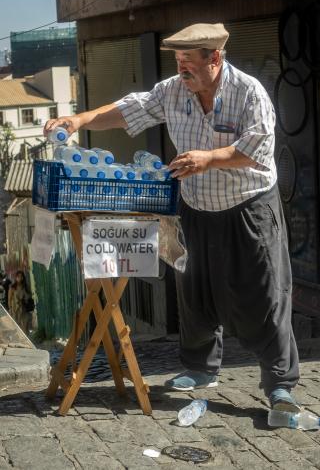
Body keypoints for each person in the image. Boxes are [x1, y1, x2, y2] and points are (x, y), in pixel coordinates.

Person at [44, 22, 300, 413]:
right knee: (193, 288)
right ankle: (199, 367)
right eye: (178, 62)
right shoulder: (173, 91)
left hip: (249, 206)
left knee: (264, 292)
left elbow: (258, 149)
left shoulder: (249, 92)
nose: (181, 70)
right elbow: (128, 109)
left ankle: (280, 384)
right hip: (195, 206)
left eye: (188, 63)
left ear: (214, 59)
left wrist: (209, 158)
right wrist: (79, 121)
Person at [8, 270, 32, 334]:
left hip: (24, 309)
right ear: (16, 277)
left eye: (21, 276)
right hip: (15, 309)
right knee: (17, 325)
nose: (20, 278)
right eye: (18, 276)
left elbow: (29, 296)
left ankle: (26, 339)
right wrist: (10, 309)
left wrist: (26, 297)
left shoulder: (25, 287)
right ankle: (21, 340)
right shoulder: (12, 287)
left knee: (25, 325)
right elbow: (9, 299)